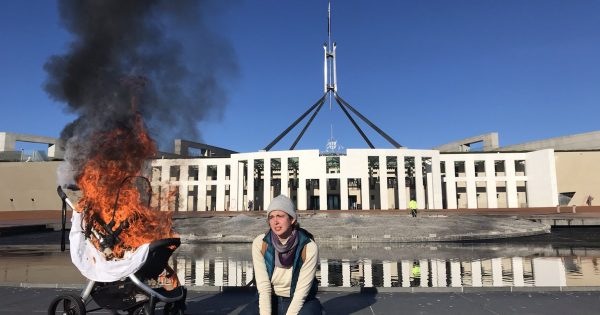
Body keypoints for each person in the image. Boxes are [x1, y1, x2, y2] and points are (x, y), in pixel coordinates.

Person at [241, 195, 323, 315]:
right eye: (271, 217)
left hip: (299, 300)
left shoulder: (308, 246)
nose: (275, 222)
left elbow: (301, 293)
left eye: (280, 216)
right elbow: (263, 288)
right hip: (269, 298)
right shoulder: (260, 243)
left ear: (292, 219)